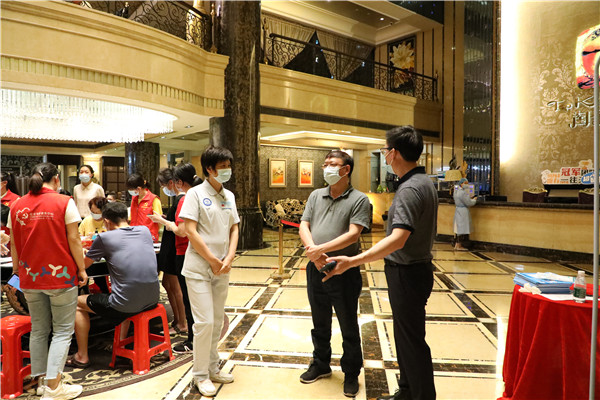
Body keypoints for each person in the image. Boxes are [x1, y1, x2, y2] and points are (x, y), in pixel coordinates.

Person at [326, 126, 437, 400]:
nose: (385, 155)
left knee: (412, 342)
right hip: (416, 270)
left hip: (407, 273)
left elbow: (398, 239)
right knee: (407, 337)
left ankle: (420, 395)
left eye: (385, 150)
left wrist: (354, 260)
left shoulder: (410, 189)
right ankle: (408, 391)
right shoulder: (424, 181)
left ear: (394, 153)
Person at [8, 162, 87, 400]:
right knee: (62, 331)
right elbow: (74, 239)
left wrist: (17, 270)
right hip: (60, 276)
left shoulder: (17, 205)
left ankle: (42, 382)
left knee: (39, 330)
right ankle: (54, 388)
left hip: (29, 277)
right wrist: (81, 269)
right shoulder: (64, 202)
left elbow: (14, 243)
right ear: (56, 179)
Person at [298, 150, 371, 398]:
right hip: (315, 267)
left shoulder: (359, 199)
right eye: (325, 164)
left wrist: (321, 250)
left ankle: (351, 372)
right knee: (319, 321)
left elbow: (353, 234)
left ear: (346, 169)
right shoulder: (316, 195)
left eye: (333, 164)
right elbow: (304, 225)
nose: (327, 168)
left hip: (344, 269)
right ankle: (320, 364)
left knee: (348, 324)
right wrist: (313, 253)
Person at [67, 201, 160, 367]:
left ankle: (81, 356)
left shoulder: (105, 238)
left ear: (107, 221)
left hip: (126, 303)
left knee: (76, 304)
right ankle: (121, 345)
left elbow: (84, 265)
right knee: (125, 290)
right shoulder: (144, 231)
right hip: (152, 298)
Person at [179, 146, 239, 397]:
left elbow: (234, 227)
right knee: (203, 323)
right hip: (199, 268)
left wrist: (229, 256)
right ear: (209, 169)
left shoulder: (229, 195)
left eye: (228, 166)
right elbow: (190, 231)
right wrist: (213, 259)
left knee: (216, 321)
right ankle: (200, 374)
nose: (227, 170)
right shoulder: (195, 194)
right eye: (222, 167)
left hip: (222, 267)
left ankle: (213, 367)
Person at [149, 163, 202, 353]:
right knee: (193, 297)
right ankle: (193, 334)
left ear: (177, 182)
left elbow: (181, 231)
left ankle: (191, 337)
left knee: (188, 296)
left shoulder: (185, 199)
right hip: (193, 252)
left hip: (183, 251)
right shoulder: (198, 197)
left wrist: (163, 221)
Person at [149, 168, 187, 335]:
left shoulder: (182, 199)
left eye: (164, 185)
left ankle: (183, 322)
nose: (164, 189)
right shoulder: (178, 199)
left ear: (172, 183)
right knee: (168, 284)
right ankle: (178, 319)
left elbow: (179, 227)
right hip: (170, 246)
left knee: (175, 286)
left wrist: (161, 220)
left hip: (174, 247)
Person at [127, 173, 162, 242]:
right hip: (133, 234)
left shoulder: (154, 199)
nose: (130, 191)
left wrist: (153, 232)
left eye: (131, 189)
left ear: (138, 188)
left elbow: (159, 221)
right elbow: (131, 218)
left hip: (148, 236)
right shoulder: (134, 199)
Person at [453, 178, 477, 251]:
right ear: (461, 183)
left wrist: (468, 198)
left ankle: (457, 244)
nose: (467, 185)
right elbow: (468, 202)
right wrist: (474, 200)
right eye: (465, 183)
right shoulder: (462, 193)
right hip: (463, 212)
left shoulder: (456, 191)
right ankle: (459, 245)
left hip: (458, 210)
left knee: (458, 229)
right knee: (462, 229)